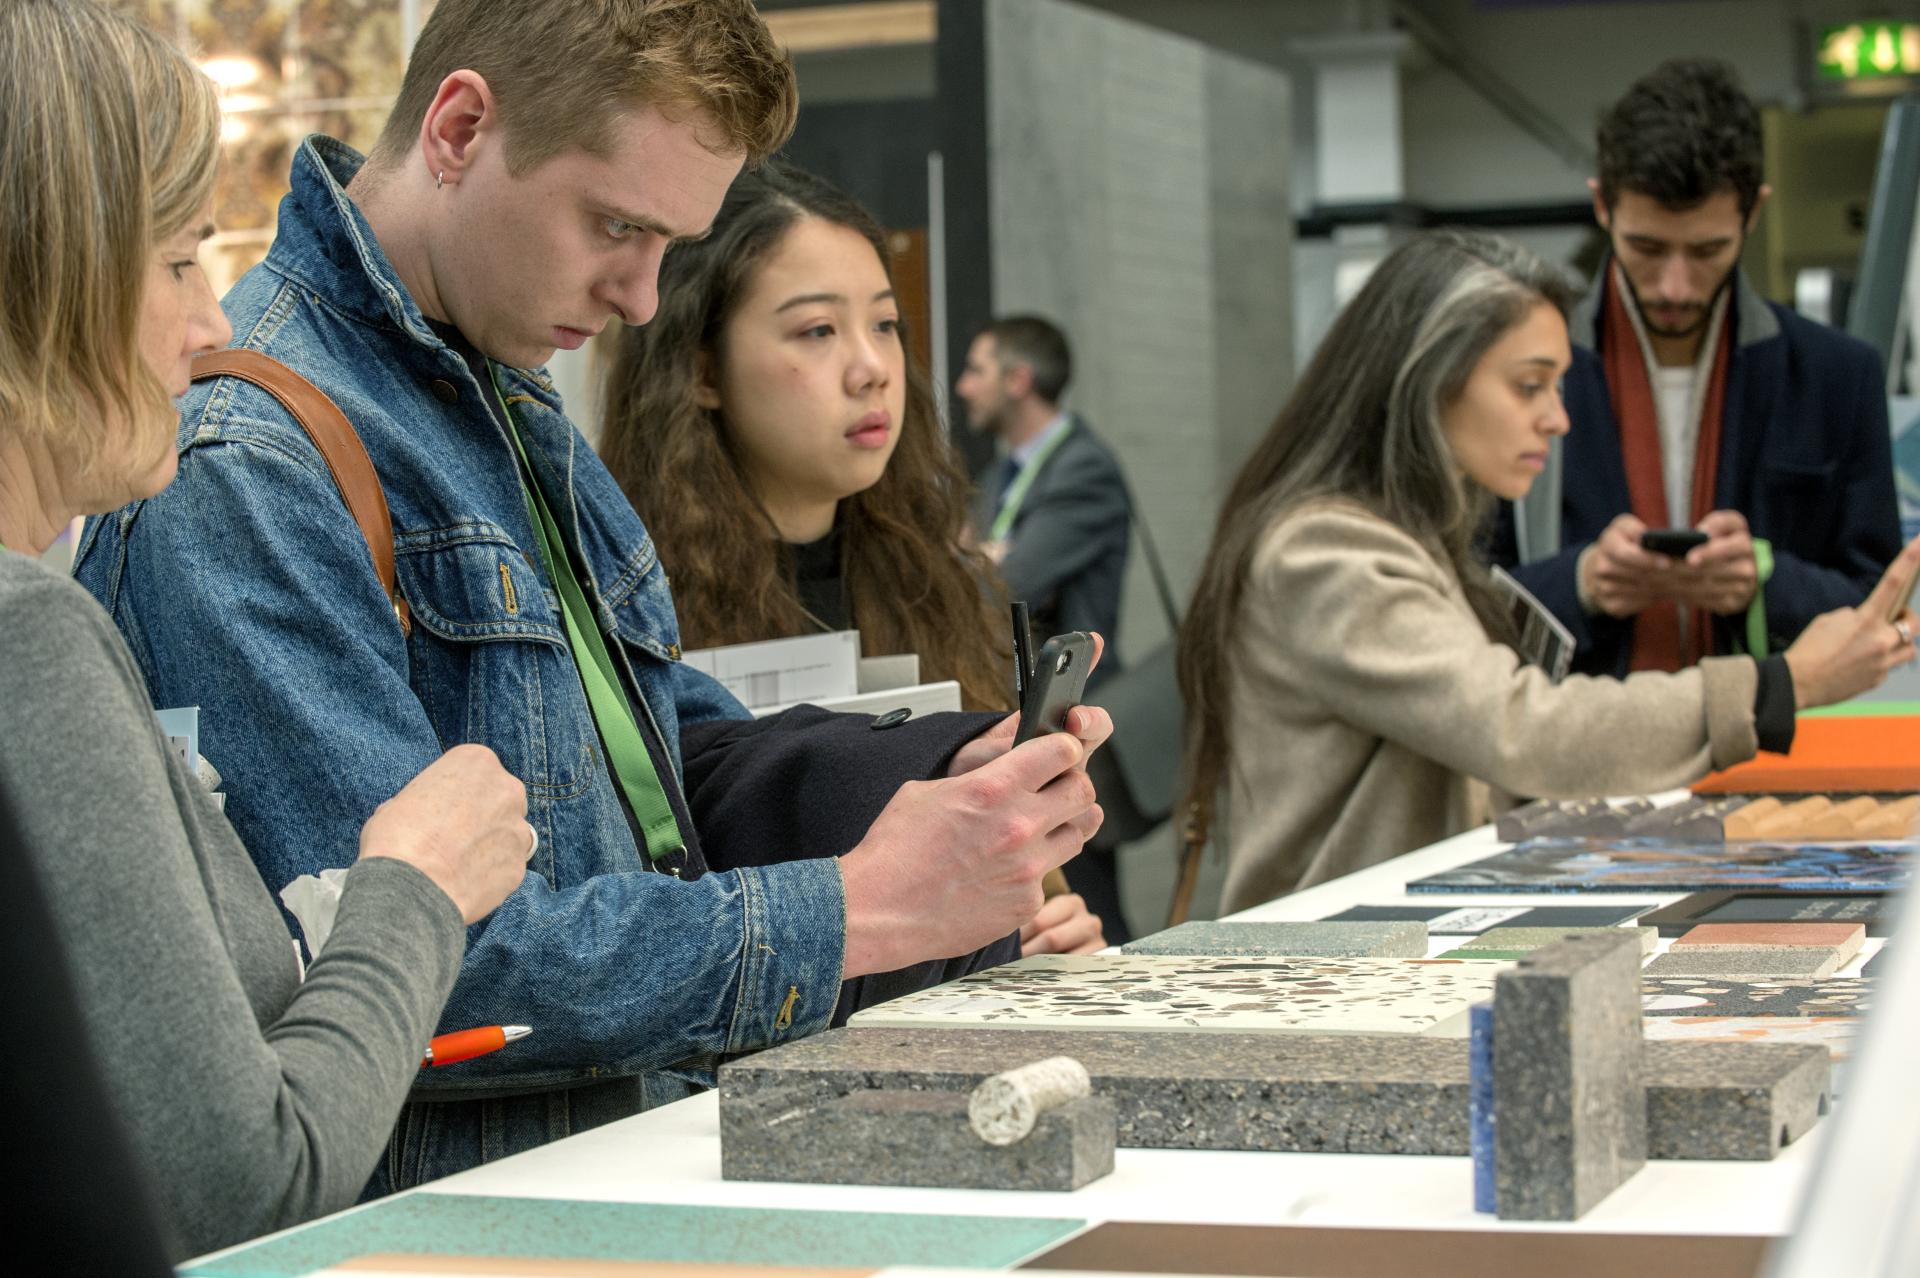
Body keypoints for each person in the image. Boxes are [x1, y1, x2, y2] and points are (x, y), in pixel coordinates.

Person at [75, 0, 1110, 1191]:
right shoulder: (250, 463)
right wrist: (856, 909)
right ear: (460, 128)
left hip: (614, 1163)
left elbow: (649, 764)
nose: (641, 296)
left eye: (671, 242)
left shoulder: (504, 391)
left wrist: (931, 781)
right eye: (616, 225)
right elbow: (395, 969)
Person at [0, 0, 533, 1255]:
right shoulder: (29, 642)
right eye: (181, 258)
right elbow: (245, 1188)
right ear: (50, 273)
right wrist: (415, 892)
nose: (212, 325)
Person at [1179, 230, 1919, 914]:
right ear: (1428, 379)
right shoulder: (1324, 554)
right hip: (1330, 970)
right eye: (1530, 386)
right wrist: (1784, 683)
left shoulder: (1396, 538)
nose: (1558, 419)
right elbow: (1520, 728)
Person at [599, 163, 1105, 957]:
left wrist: (1052, 925)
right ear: (701, 371)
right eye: (817, 331)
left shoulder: (930, 577)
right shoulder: (627, 608)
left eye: (885, 326)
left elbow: (1029, 868)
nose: (872, 368)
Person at [1491, 58, 1902, 678]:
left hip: (1782, 751)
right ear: (1603, 204)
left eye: (1708, 250)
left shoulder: (1836, 377)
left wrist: (1763, 582)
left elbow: (1883, 613)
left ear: (1753, 213)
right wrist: (1581, 582)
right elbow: (1452, 600)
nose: (1675, 286)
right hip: (1575, 745)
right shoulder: (1510, 373)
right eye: (1647, 248)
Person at [958, 315, 1132, 660]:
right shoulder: (998, 474)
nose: (964, 387)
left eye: (977, 371)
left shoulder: (1085, 470)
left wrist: (981, 561)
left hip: (1072, 703)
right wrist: (989, 557)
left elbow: (1007, 591)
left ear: (1018, 380)